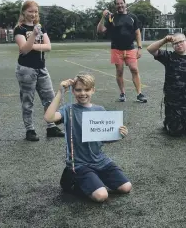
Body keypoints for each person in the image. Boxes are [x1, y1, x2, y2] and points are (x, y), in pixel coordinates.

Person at [44, 73, 132, 202]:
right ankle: (73, 178)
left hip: (100, 160)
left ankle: (93, 179)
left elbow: (104, 137)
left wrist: (120, 134)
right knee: (102, 196)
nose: (82, 93)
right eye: (78, 90)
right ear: (73, 91)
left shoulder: (100, 109)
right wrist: (60, 92)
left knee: (126, 187)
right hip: (79, 163)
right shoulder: (69, 110)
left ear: (93, 90)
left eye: (86, 89)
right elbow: (49, 117)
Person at [13, 0, 65, 141]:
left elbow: (48, 47)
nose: (33, 14)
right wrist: (35, 37)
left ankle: (51, 127)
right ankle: (30, 130)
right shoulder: (20, 29)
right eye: (30, 11)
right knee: (28, 101)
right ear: (24, 12)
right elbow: (23, 50)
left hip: (41, 68)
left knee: (49, 99)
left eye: (35, 11)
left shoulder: (40, 27)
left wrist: (33, 45)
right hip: (26, 69)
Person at [147, 33, 186, 137]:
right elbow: (150, 49)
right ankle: (168, 122)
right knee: (175, 133)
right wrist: (164, 40)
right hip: (173, 103)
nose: (178, 44)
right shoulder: (168, 57)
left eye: (181, 41)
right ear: (172, 46)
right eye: (175, 43)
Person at [96, 0, 147, 103]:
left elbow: (137, 33)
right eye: (117, 4)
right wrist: (102, 17)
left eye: (121, 3)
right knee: (119, 72)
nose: (119, 5)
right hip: (116, 49)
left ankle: (139, 94)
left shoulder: (132, 17)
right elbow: (100, 30)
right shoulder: (111, 17)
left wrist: (139, 47)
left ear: (125, 4)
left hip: (130, 49)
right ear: (115, 6)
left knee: (134, 69)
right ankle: (122, 93)